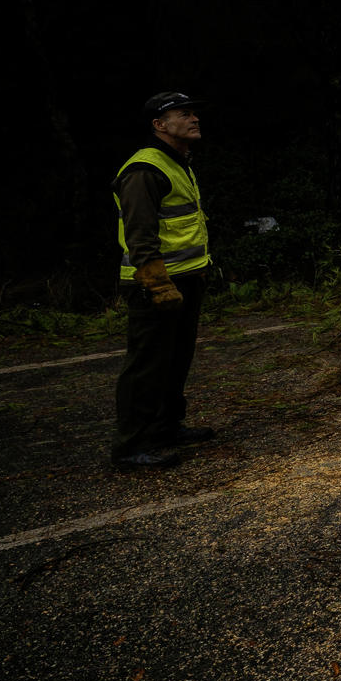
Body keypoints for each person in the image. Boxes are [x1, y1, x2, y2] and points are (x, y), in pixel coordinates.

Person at [110, 92, 218, 471]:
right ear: (159, 125)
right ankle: (130, 447)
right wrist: (156, 282)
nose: (194, 119)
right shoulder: (145, 169)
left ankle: (166, 427)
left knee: (175, 359)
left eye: (194, 113)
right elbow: (139, 232)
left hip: (185, 278)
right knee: (147, 364)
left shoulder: (178, 162)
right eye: (183, 114)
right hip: (153, 282)